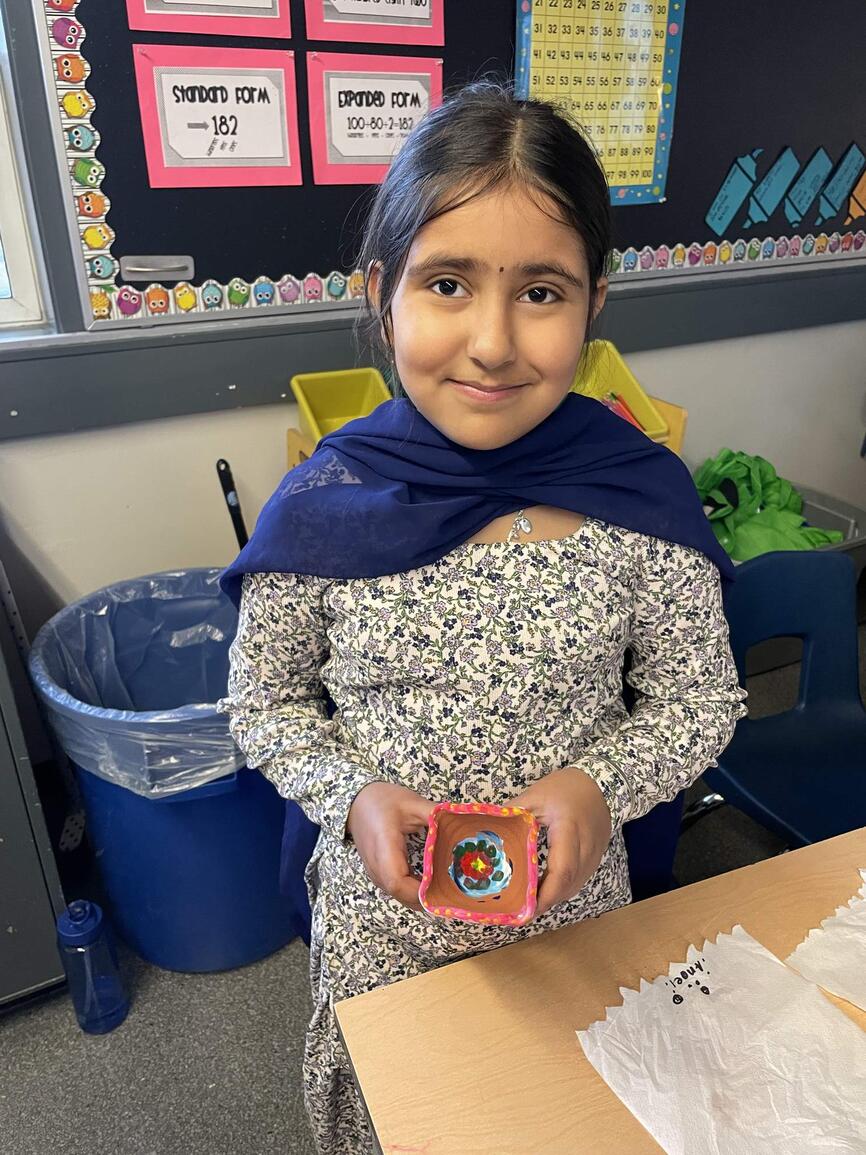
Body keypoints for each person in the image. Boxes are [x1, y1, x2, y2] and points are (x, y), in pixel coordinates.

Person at [218, 81, 747, 1154]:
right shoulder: (323, 504)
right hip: (384, 930)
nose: (493, 342)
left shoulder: (637, 499)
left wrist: (599, 784)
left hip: (572, 918)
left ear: (594, 302)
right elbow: (262, 705)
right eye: (448, 283)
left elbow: (699, 699)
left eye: (540, 292)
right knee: (407, 1122)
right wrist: (352, 795)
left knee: (564, 1120)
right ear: (384, 294)